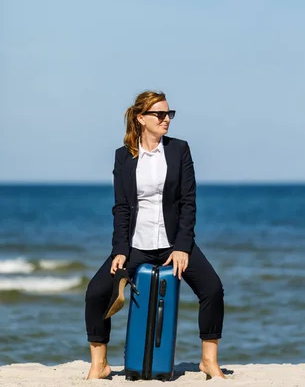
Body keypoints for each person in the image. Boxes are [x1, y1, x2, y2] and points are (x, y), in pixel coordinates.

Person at [85, 90, 225, 380]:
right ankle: (100, 364)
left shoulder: (179, 150)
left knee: (212, 289)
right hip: (137, 246)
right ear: (141, 118)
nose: (166, 120)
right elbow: (121, 207)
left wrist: (183, 246)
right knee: (96, 293)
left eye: (169, 114)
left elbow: (188, 201)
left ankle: (208, 361)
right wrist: (120, 249)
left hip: (174, 244)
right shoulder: (124, 157)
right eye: (159, 114)